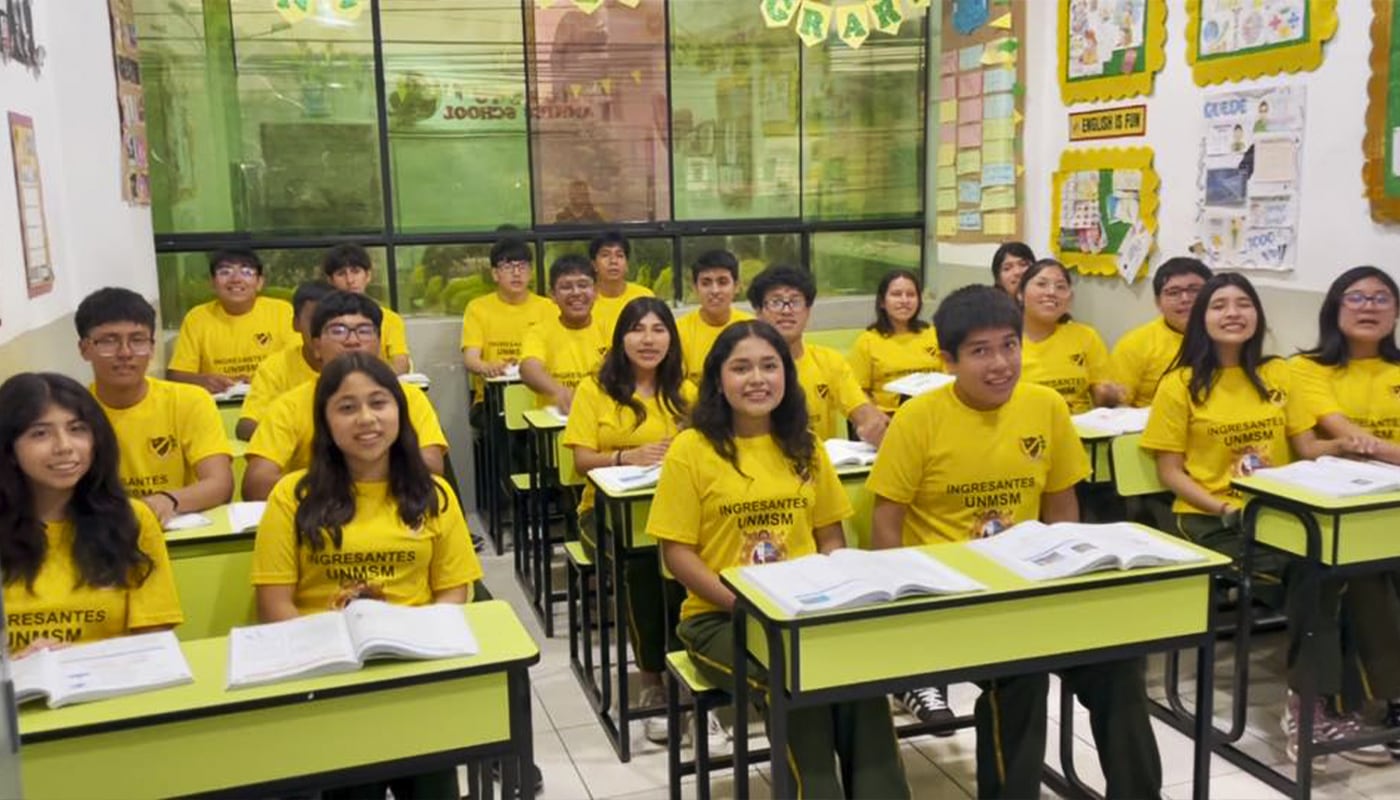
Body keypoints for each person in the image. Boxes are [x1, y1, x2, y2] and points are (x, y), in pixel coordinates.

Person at [867, 285, 1162, 799]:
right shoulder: (918, 418)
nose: (1001, 363)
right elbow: (886, 522)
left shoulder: (1045, 407)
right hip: (953, 599)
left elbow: (1061, 504)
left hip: (1028, 587)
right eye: (981, 351)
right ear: (948, 360)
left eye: (1010, 345)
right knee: (1021, 679)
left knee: (1119, 664)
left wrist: (1061, 573)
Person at [649, 321, 910, 798]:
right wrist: (743, 604)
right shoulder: (692, 449)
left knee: (861, 671)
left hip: (803, 610)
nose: (758, 379)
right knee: (794, 678)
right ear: (717, 378)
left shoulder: (805, 444)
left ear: (787, 376)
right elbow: (677, 554)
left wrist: (836, 584)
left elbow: (830, 536)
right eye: (741, 367)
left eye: (770, 366)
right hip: (719, 617)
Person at [1139, 272, 1375, 766]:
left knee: (1348, 565)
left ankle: (1346, 703)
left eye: (1243, 304)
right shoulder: (1180, 384)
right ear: (1203, 320)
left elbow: (1305, 446)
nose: (1233, 313)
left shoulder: (1277, 373)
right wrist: (1224, 507)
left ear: (1257, 315)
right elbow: (1170, 472)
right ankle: (1311, 708)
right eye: (1219, 305)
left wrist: (1347, 446)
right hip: (1208, 517)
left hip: (1279, 510)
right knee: (1312, 573)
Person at [251, 351, 482, 799]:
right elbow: (274, 605)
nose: (366, 419)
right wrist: (335, 646)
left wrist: (407, 635)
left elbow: (455, 590)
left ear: (400, 410)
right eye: (346, 407)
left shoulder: (433, 494)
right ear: (325, 421)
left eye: (379, 403)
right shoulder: (291, 497)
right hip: (329, 675)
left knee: (434, 784)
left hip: (416, 669)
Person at [563, 297, 692, 746]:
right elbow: (581, 460)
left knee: (690, 564)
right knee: (641, 568)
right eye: (638, 329)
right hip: (604, 511)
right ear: (621, 339)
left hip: (675, 509)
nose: (649, 339)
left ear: (671, 339)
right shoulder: (594, 390)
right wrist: (625, 456)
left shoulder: (687, 393)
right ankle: (653, 681)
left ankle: (693, 671)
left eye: (659, 329)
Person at [1287, 266, 1400, 764]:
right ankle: (1351, 704)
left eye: (1381, 298)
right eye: (1356, 297)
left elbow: (1353, 444)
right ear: (1335, 308)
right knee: (1356, 573)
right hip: (1337, 511)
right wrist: (1356, 445)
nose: (1369, 306)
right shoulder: (1307, 368)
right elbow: (1335, 431)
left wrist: (1365, 448)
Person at [1, 372, 183, 657]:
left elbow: (155, 643)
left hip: (110, 690)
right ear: (9, 449)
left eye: (77, 429)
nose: (64, 446)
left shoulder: (132, 519)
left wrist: (79, 659)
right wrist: (15, 665)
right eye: (40, 434)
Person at [243, 291, 448, 502]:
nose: (352, 341)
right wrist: (343, 483)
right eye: (338, 331)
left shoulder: (409, 397)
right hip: (318, 514)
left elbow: (432, 466)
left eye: (364, 331)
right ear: (316, 346)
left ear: (379, 343)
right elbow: (256, 485)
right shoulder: (289, 406)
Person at [76, 288, 233, 524]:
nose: (125, 353)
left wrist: (166, 500)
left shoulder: (189, 400)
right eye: (109, 341)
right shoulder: (73, 412)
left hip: (177, 527)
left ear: (151, 347)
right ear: (85, 349)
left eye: (137, 340)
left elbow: (220, 484)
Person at [747, 264, 889, 445]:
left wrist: (872, 422)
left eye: (795, 301)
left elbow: (861, 411)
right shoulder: (745, 368)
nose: (786, 310)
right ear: (758, 311)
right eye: (775, 302)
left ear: (808, 310)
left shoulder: (829, 361)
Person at [167, 248, 297, 393]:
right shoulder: (197, 318)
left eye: (246, 272)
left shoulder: (283, 312)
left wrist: (264, 378)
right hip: (217, 405)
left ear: (260, 282)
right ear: (212, 283)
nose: (236, 279)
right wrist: (203, 380)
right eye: (225, 272)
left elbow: (299, 364)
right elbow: (175, 376)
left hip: (271, 400)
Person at [461, 236, 555, 418]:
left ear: (531, 271)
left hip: (539, 393)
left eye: (522, 266)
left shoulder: (548, 308)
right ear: (495, 274)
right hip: (494, 397)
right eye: (508, 267)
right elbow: (471, 359)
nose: (517, 273)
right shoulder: (478, 308)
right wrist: (488, 367)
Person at [1017, 259, 1125, 413]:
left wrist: (1107, 395)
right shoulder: (1005, 342)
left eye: (1060, 287)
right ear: (1020, 294)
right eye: (1041, 284)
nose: (1051, 292)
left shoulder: (1086, 336)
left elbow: (1101, 394)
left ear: (1070, 298)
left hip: (1079, 430)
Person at [237, 280, 333, 441]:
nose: (321, 330)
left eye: (330, 321)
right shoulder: (274, 367)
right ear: (296, 324)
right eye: (313, 320)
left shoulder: (358, 366)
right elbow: (245, 427)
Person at [1110, 257, 1212, 407]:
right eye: (1173, 292)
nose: (1185, 299)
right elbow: (1117, 407)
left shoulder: (1228, 339)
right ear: (1158, 302)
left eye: (1194, 290)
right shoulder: (1135, 343)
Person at [519, 255, 610, 413]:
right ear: (552, 295)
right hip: (556, 425)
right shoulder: (539, 332)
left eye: (583, 285)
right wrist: (558, 392)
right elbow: (528, 368)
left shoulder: (610, 329)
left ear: (596, 291)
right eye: (566, 287)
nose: (576, 293)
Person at [848, 268, 943, 413]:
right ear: (882, 302)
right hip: (889, 418)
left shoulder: (933, 334)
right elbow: (857, 391)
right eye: (896, 294)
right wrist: (874, 417)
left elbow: (950, 379)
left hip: (934, 413)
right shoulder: (867, 341)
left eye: (911, 295)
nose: (904, 301)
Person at [321, 243, 412, 374]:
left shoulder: (391, 319)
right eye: (341, 274)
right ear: (330, 280)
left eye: (355, 271)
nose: (350, 280)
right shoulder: (322, 318)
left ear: (368, 276)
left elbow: (401, 362)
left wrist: (373, 381)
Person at [675, 249, 752, 384]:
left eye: (722, 282)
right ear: (695, 288)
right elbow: (675, 384)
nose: (714, 291)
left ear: (737, 286)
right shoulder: (678, 330)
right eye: (706, 283)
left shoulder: (753, 327)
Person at [589, 231, 654, 338]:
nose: (613, 261)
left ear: (627, 264)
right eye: (605, 255)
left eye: (619, 255)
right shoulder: (585, 300)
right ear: (594, 264)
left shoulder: (644, 297)